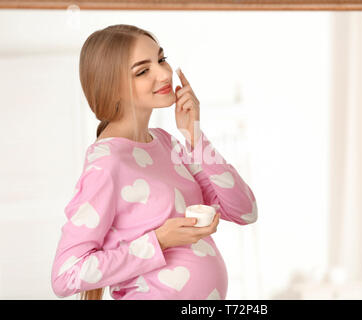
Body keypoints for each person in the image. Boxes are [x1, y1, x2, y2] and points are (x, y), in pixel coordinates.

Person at [50, 24, 258, 300]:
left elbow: (245, 211)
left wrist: (194, 135)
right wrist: (159, 241)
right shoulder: (106, 162)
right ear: (112, 88)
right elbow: (65, 276)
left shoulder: (165, 143)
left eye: (161, 59)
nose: (164, 74)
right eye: (143, 71)